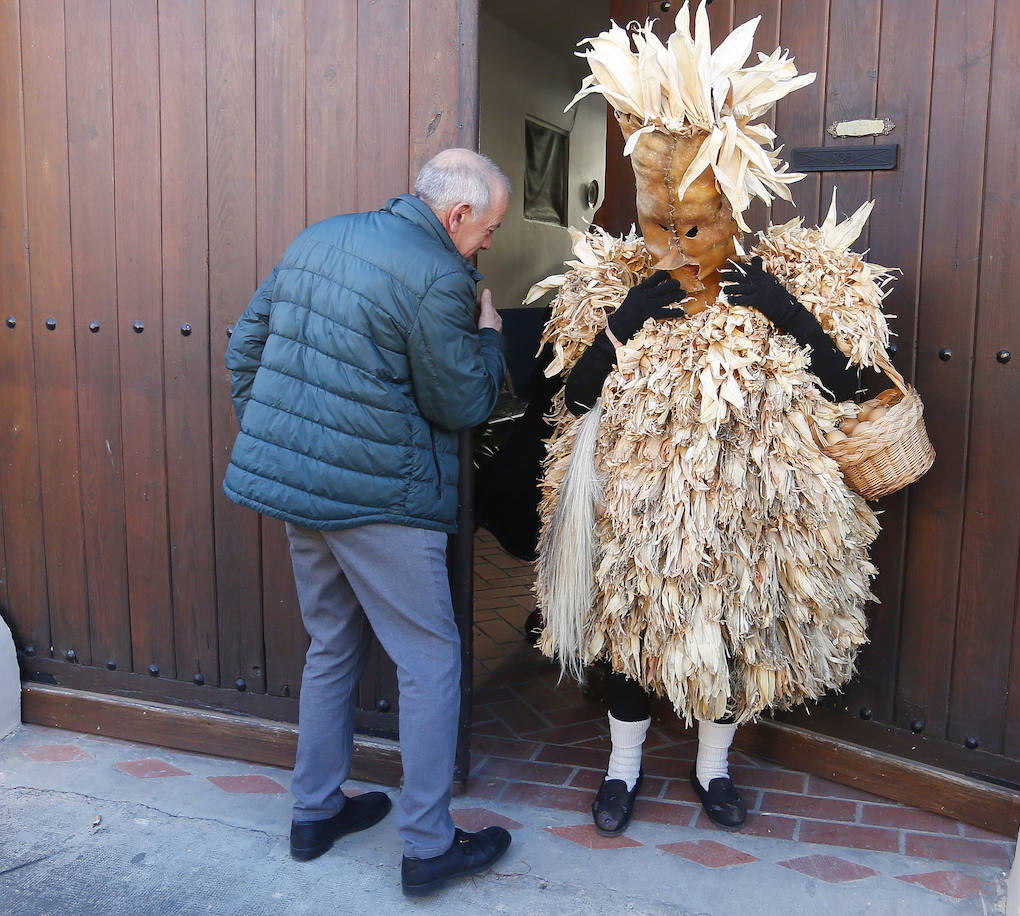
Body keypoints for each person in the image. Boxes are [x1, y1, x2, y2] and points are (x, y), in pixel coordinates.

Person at [531, 4, 907, 838]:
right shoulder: (616, 286)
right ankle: (622, 769)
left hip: (751, 517)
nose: (677, 245)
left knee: (730, 642)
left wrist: (787, 312)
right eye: (660, 226)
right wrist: (626, 318)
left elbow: (857, 386)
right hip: (637, 516)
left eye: (694, 226)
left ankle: (713, 771)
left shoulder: (805, 277)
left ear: (732, 205)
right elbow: (570, 403)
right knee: (631, 637)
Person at [223, 148, 512, 897]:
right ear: (456, 216)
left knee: (331, 643)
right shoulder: (443, 277)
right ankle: (427, 846)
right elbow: (463, 405)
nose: (488, 246)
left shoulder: (313, 240)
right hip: (383, 501)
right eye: (488, 231)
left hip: (301, 495)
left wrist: (289, 442)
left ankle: (315, 813)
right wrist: (489, 333)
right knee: (430, 659)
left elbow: (244, 349)